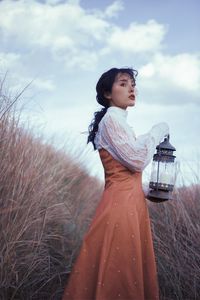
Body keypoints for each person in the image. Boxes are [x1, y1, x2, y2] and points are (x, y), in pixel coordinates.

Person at [62, 67, 169, 300]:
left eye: (132, 84)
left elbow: (125, 173)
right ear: (107, 93)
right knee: (119, 275)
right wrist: (158, 130)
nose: (131, 88)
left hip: (129, 206)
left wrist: (149, 190)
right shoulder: (111, 119)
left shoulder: (117, 121)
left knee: (123, 271)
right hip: (120, 209)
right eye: (123, 83)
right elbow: (138, 160)